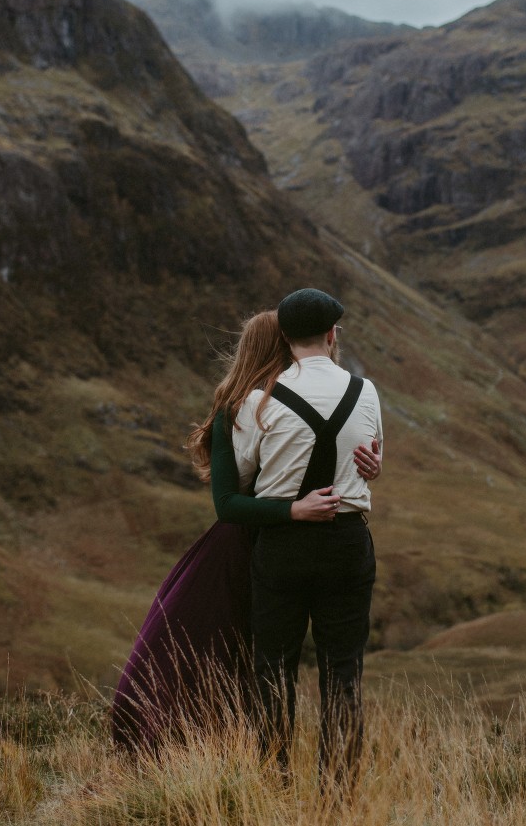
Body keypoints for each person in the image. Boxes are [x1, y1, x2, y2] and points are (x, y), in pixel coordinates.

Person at [109, 308, 380, 754]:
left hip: (278, 545)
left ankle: (264, 777)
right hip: (243, 545)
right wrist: (293, 510)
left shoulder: (288, 400)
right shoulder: (239, 408)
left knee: (263, 668)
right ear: (281, 347)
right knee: (242, 664)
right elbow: (226, 503)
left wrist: (371, 464)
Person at [225, 287, 383, 788]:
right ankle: (337, 793)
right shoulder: (367, 391)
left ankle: (274, 784)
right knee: (344, 668)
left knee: (273, 664)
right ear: (333, 335)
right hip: (347, 541)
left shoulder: (257, 400)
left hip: (283, 544)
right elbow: (367, 456)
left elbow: (244, 479)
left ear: (284, 338)